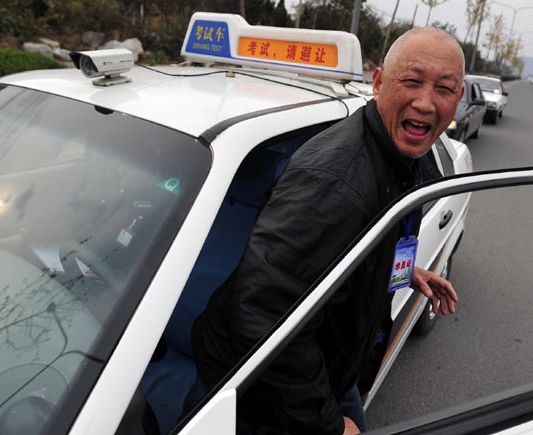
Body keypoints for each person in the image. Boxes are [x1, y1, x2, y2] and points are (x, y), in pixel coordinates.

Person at [190, 27, 464, 435]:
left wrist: (405, 271)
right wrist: (328, 426)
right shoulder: (335, 182)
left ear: (459, 98)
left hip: (330, 364)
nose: (426, 102)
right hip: (256, 393)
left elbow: (353, 244)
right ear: (378, 82)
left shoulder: (401, 156)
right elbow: (264, 315)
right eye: (411, 81)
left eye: (444, 88)